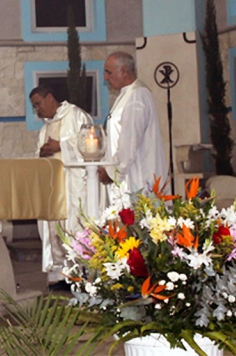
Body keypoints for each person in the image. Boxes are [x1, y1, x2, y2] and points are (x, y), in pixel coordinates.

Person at [29, 85, 92, 291]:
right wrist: (43, 152)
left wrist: (61, 146)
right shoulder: (45, 127)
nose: (37, 109)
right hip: (53, 186)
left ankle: (79, 273)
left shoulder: (76, 116)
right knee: (54, 230)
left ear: (50, 97)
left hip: (73, 185)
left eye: (38, 103)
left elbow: (90, 145)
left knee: (74, 227)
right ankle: (60, 274)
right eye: (34, 106)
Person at [97, 52, 168, 200]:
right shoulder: (128, 94)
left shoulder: (137, 96)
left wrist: (112, 172)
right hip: (128, 173)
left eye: (108, 72)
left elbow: (129, 142)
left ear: (123, 71)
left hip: (136, 177)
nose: (106, 77)